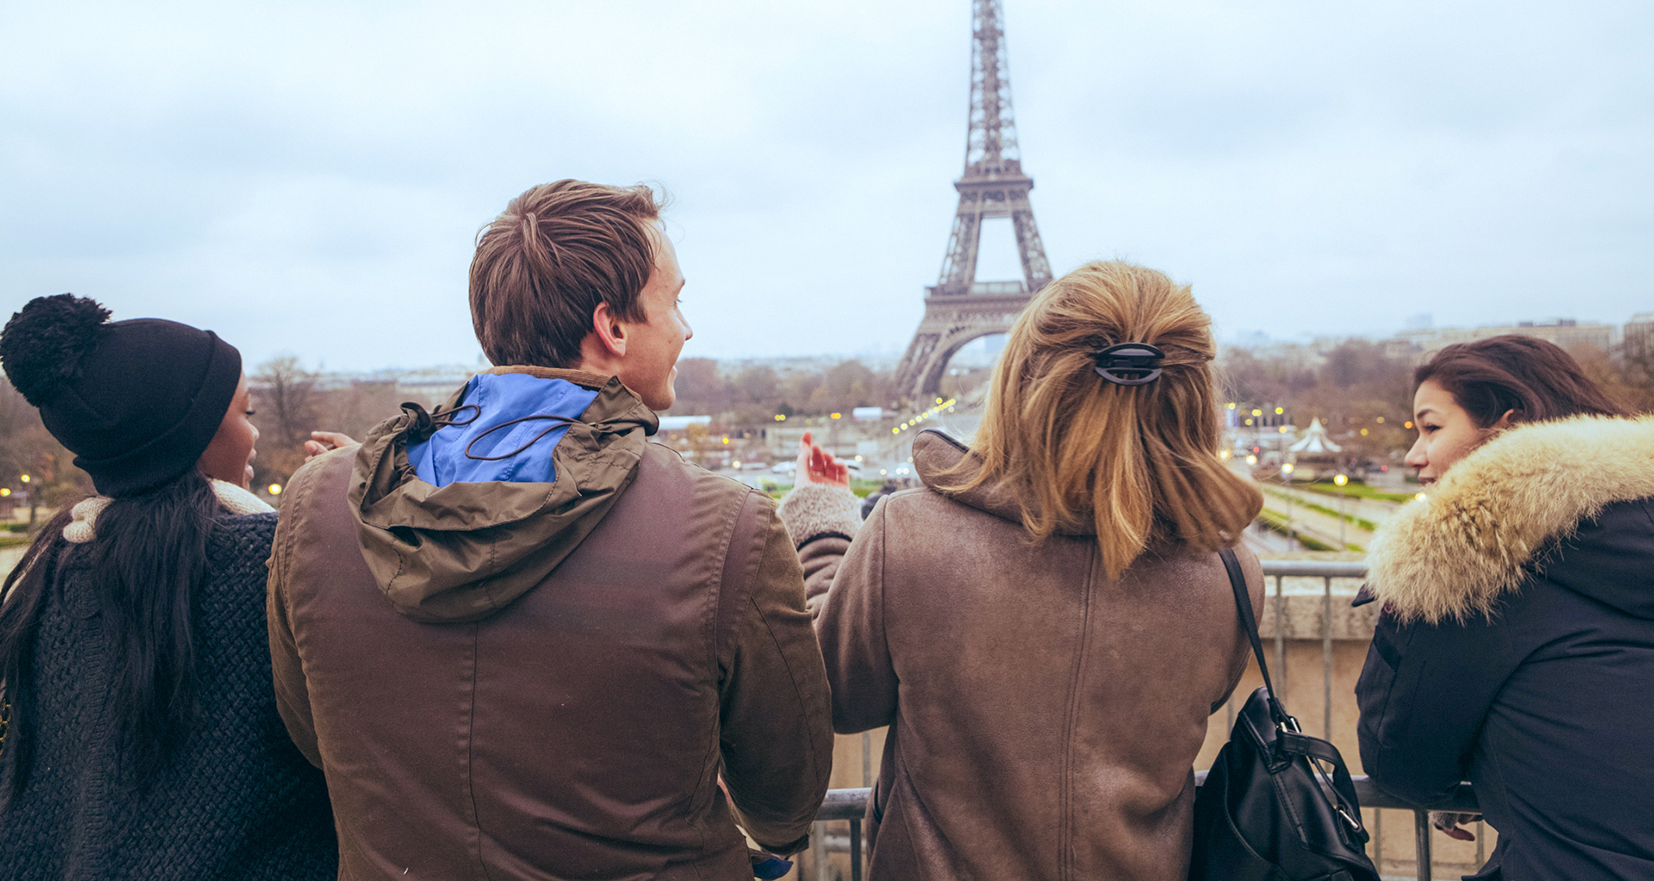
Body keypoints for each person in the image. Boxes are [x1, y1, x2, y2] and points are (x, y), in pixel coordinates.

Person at [268, 179, 833, 880]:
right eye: (675, 302)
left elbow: (315, 737)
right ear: (613, 328)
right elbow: (786, 801)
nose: (687, 329)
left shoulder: (319, 505)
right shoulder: (723, 528)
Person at [776, 260, 1264, 880]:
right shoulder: (1228, 576)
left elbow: (834, 698)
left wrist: (822, 529)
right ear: (1192, 395)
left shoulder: (911, 534)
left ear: (1021, 380)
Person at [0, 295, 336, 880]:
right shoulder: (275, 560)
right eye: (245, 414)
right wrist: (345, 500)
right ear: (195, 436)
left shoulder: (48, 574)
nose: (253, 436)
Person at [1356, 335, 1654, 881]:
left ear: (1507, 430)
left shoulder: (1471, 571)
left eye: (1432, 427)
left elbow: (1400, 759)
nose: (1413, 455)